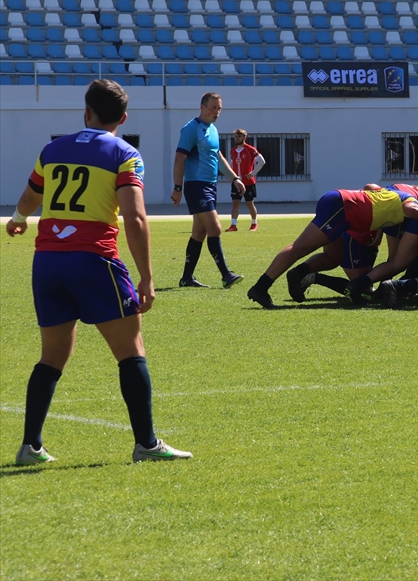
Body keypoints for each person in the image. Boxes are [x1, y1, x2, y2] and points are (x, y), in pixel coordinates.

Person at [8, 80, 191, 465]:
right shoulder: (124, 153)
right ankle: (147, 444)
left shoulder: (53, 149)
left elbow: (29, 197)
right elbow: (135, 216)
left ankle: (30, 446)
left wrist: (19, 219)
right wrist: (147, 275)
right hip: (94, 259)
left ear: (85, 112)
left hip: (47, 263)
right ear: (122, 118)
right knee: (131, 351)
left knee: (52, 356)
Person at [246, 184, 418, 309]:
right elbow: (412, 209)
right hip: (342, 208)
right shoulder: (410, 198)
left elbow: (372, 189)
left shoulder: (396, 192)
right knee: (299, 247)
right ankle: (260, 287)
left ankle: (299, 273)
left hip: (341, 206)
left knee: (333, 257)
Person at [171, 92, 244, 288]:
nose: (216, 112)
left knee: (199, 233)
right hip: (196, 185)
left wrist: (234, 178)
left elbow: (218, 157)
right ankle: (226, 275)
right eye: (213, 107)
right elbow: (179, 159)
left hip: (209, 185)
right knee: (215, 227)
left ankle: (187, 278)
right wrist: (177, 187)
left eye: (219, 108)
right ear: (202, 107)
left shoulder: (213, 130)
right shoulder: (191, 129)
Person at [226, 129, 265, 232]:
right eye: (235, 137)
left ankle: (254, 223)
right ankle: (233, 225)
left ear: (244, 138)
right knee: (235, 202)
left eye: (239, 136)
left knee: (249, 203)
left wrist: (252, 173)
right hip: (236, 182)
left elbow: (261, 161)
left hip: (248, 182)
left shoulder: (250, 149)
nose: (237, 138)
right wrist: (230, 175)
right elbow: (232, 163)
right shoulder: (233, 151)